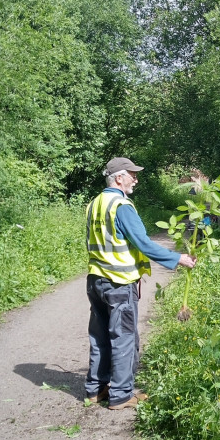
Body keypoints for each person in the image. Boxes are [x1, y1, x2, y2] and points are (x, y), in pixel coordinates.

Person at [85, 157, 196, 410]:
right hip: (118, 282)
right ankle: (122, 395)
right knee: (123, 337)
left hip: (95, 280)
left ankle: (96, 389)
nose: (136, 179)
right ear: (119, 178)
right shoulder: (121, 205)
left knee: (99, 336)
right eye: (132, 174)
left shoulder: (94, 204)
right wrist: (177, 258)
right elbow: (143, 243)